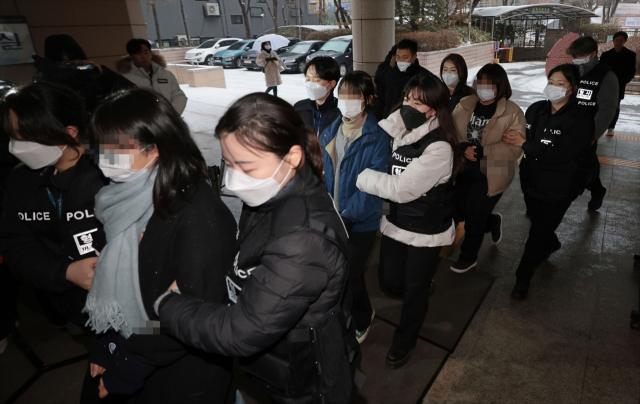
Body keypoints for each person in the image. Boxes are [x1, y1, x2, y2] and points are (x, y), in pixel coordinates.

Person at [156, 93, 359, 404]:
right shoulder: (273, 192)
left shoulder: (301, 242)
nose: (233, 181)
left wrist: (166, 306)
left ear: (292, 157)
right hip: (281, 360)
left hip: (305, 376)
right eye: (228, 163)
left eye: (246, 167)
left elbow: (242, 332)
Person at [82, 88, 236, 403]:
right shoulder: (122, 197)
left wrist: (127, 365)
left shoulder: (198, 216)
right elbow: (113, 285)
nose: (103, 157)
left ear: (156, 149)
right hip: (131, 348)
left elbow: (191, 317)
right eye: (99, 145)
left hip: (179, 373)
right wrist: (107, 344)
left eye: (116, 147)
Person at [356, 74, 463, 369]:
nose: (409, 105)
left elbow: (403, 189)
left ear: (435, 109)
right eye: (407, 98)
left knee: (413, 290)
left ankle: (406, 338)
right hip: (396, 221)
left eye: (418, 101)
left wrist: (359, 177)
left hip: (426, 228)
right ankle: (420, 287)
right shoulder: (397, 128)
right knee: (389, 280)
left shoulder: (439, 146)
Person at [0, 83, 108, 330]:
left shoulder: (114, 169)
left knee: (147, 347)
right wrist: (65, 272)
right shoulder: (20, 181)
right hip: (76, 309)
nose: (16, 145)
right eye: (11, 134)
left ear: (69, 131)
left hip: (141, 306)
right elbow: (15, 245)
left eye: (25, 136)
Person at [503, 64, 593, 300]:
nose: (553, 87)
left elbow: (559, 154)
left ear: (572, 88)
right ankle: (550, 243)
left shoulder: (580, 119)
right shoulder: (535, 109)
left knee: (537, 234)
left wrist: (524, 143)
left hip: (560, 188)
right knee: (540, 225)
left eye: (560, 84)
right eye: (551, 82)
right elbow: (521, 137)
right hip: (532, 181)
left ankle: (522, 278)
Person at [320, 71, 389, 344]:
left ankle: (363, 316)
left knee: (350, 273)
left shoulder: (378, 137)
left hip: (361, 221)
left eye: (354, 96)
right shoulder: (330, 128)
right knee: (336, 271)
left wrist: (346, 218)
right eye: (343, 95)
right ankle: (345, 314)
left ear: (367, 100)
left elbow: (374, 188)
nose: (346, 101)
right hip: (332, 213)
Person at [450, 63, 526, 273]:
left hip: (492, 171)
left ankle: (468, 256)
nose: (483, 87)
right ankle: (491, 220)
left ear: (500, 85)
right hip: (464, 168)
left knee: (474, 215)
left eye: (489, 83)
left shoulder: (512, 112)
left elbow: (515, 148)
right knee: (461, 210)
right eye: (480, 82)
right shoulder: (465, 104)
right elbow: (451, 132)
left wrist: (484, 152)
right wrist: (462, 146)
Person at [566, 36, 618, 211]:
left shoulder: (606, 75)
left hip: (587, 131)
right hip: (566, 127)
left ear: (593, 54)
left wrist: (593, 135)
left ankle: (597, 190)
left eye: (580, 56)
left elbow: (607, 109)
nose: (576, 59)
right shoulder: (570, 71)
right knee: (567, 162)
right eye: (574, 56)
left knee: (584, 166)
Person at [32, 34, 134, 113]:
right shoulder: (48, 82)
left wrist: (102, 73)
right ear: (56, 62)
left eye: (80, 61)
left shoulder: (89, 75)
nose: (78, 65)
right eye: (71, 62)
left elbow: (131, 92)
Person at [117, 39, 187, 114]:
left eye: (146, 52)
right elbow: (124, 105)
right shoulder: (125, 79)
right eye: (138, 53)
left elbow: (179, 96)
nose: (143, 56)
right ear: (131, 56)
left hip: (168, 121)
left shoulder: (166, 74)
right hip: (145, 123)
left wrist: (172, 115)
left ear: (150, 53)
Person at [377, 39, 435, 120]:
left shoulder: (424, 77)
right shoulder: (390, 74)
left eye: (405, 57)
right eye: (398, 57)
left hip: (411, 124)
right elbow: (381, 101)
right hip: (388, 122)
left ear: (414, 57)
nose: (401, 61)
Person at [600, 31, 637, 136]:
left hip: (619, 84)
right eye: (616, 40)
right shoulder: (606, 55)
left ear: (625, 41)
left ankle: (611, 127)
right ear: (613, 41)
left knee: (615, 106)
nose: (618, 43)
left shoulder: (630, 55)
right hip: (605, 85)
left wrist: (622, 80)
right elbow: (601, 70)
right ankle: (601, 125)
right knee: (602, 105)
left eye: (621, 40)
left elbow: (631, 72)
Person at [294, 56, 341, 137]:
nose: (310, 84)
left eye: (316, 80)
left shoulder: (341, 112)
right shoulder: (299, 108)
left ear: (331, 84)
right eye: (308, 79)